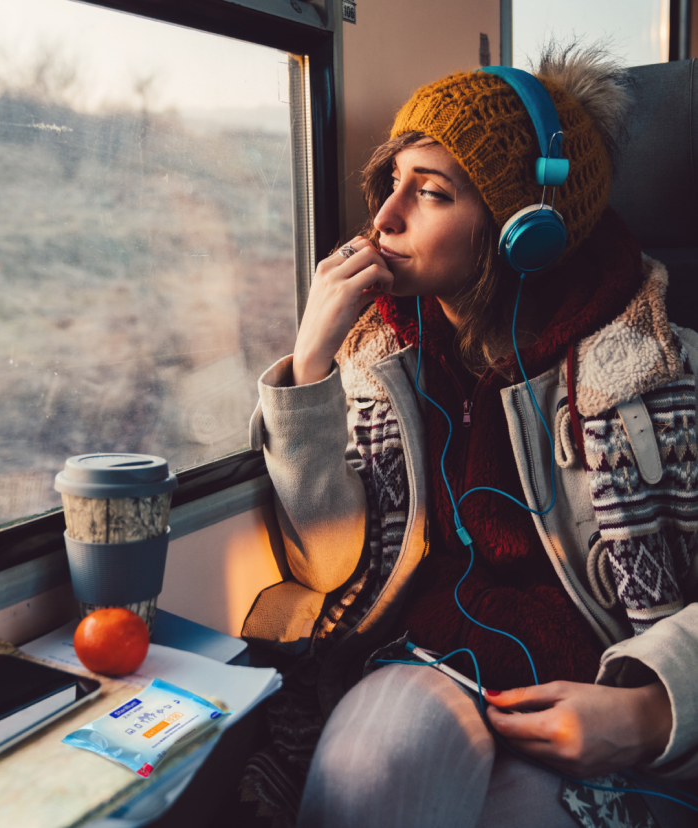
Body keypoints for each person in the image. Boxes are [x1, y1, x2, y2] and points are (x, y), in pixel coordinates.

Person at [243, 44, 698, 828]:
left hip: (598, 685)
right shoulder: (379, 360)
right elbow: (326, 562)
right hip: (428, 660)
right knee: (364, 778)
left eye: (432, 193)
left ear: (529, 230)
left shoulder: (661, 375)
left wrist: (648, 711)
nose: (385, 219)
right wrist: (312, 361)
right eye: (392, 184)